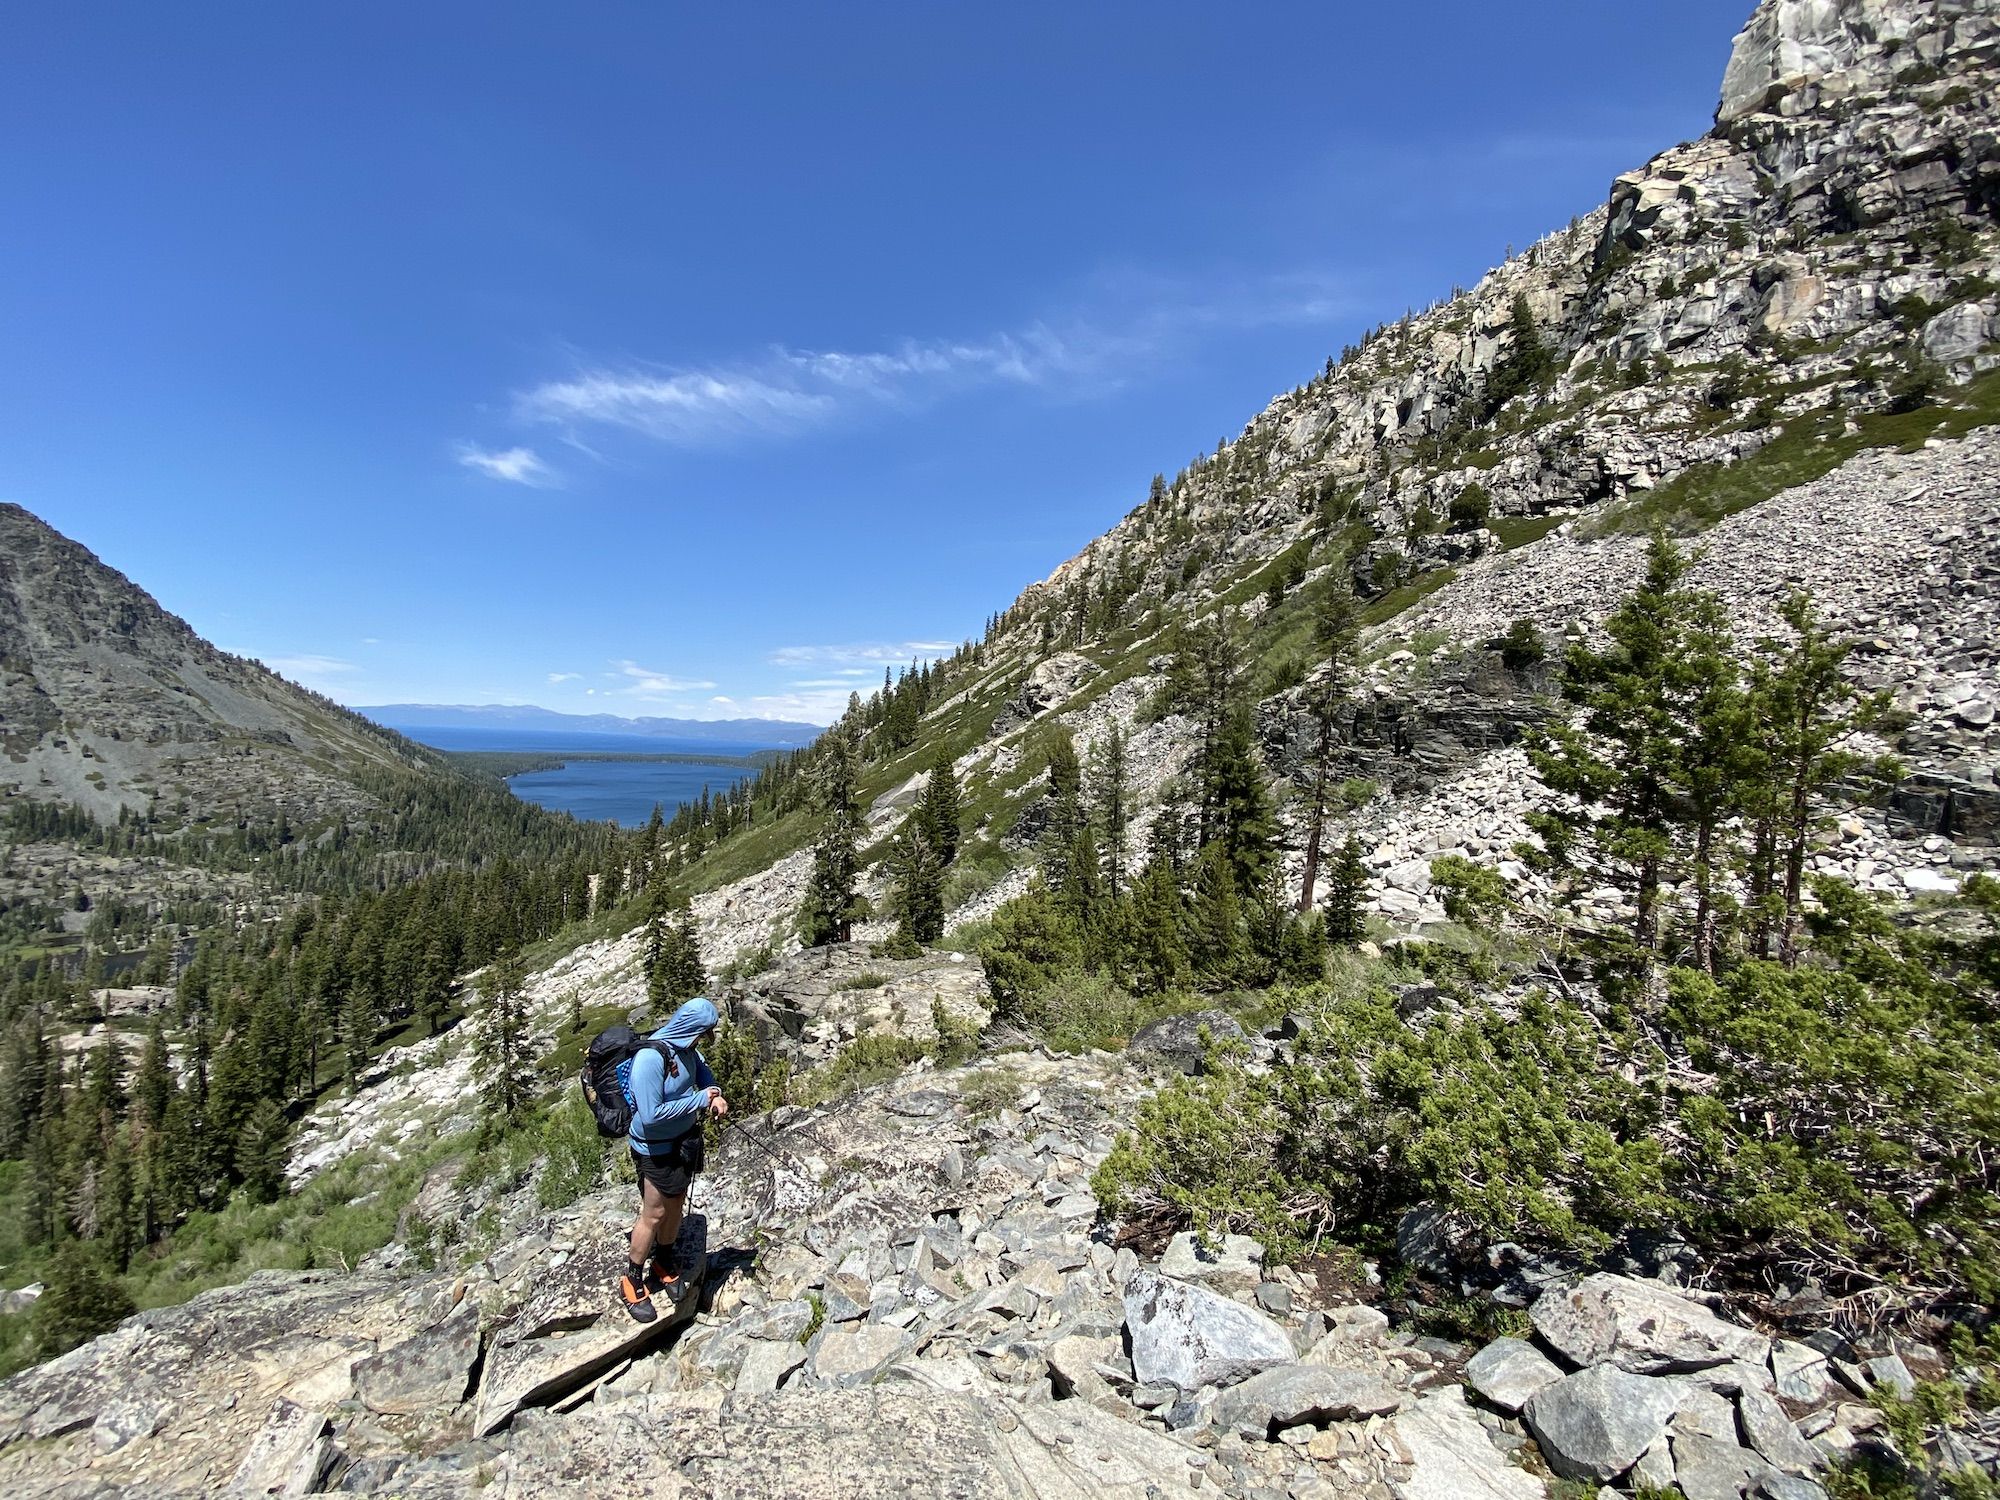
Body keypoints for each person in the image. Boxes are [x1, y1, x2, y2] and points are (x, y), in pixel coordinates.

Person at [617, 996, 729, 1322]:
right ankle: (633, 1278)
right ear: (689, 1028)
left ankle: (664, 1260)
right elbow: (650, 1116)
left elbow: (705, 1076)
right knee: (653, 1213)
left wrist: (715, 1094)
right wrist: (698, 1100)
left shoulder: (687, 1049)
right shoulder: (651, 1059)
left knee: (677, 1203)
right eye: (702, 1033)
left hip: (683, 1142)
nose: (704, 1041)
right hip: (655, 1148)